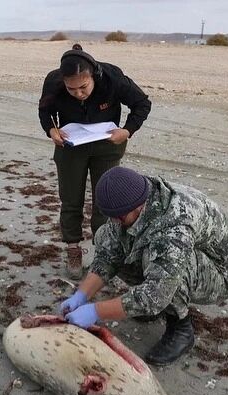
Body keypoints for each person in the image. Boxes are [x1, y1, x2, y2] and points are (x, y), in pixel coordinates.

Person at [58, 167, 228, 366]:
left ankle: (180, 327)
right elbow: (108, 255)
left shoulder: (174, 225)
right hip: (175, 252)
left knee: (169, 264)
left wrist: (95, 312)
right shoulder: (131, 199)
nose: (114, 221)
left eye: (118, 217)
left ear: (136, 208)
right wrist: (81, 295)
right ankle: (144, 307)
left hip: (219, 273)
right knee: (107, 237)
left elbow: (157, 293)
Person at [38, 44, 152, 279]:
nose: (78, 94)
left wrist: (128, 130)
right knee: (70, 199)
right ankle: (73, 250)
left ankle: (104, 254)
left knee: (106, 203)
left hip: (108, 145)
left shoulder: (112, 78)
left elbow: (142, 104)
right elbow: (45, 111)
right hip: (70, 145)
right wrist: (51, 130)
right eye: (72, 89)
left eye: (83, 87)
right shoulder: (53, 81)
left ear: (94, 76)